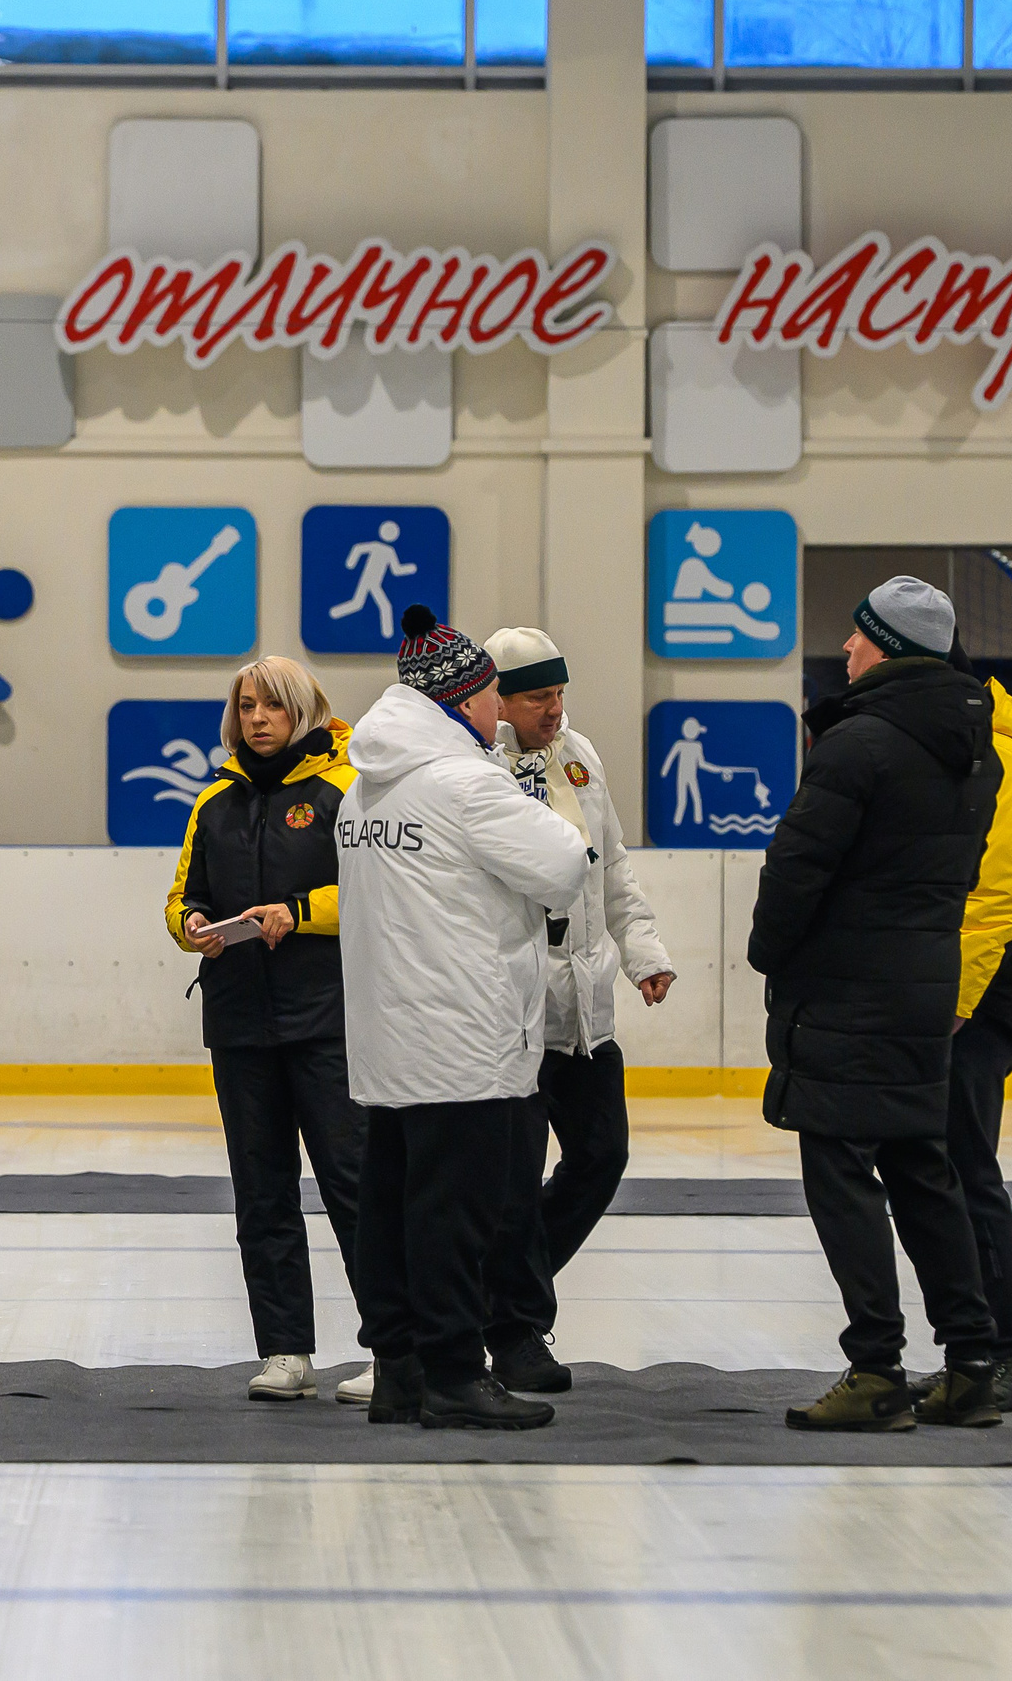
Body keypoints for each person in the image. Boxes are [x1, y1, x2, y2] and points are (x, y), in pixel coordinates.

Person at [748, 576, 1006, 1432]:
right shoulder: (978, 748)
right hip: (924, 984)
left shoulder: (858, 744)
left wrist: (770, 953)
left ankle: (876, 1366)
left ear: (888, 646)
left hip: (848, 988)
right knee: (921, 1167)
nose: (847, 651)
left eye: (859, 637)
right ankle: (972, 1360)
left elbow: (797, 868)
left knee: (839, 1167)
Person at [338, 605, 591, 1431]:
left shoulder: (364, 790)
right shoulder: (466, 781)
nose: (494, 712)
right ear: (464, 698)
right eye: (487, 697)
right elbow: (563, 865)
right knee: (457, 1213)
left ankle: (398, 1368)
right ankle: (454, 1372)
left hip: (389, 1040)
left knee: (391, 1206)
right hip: (464, 1035)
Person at [475, 628, 676, 1394]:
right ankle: (517, 1326)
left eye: (560, 694)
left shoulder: (578, 755)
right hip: (516, 1014)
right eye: (537, 698)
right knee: (514, 1179)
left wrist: (644, 954)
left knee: (602, 1158)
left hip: (587, 1015)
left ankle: (502, 1293)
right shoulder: (477, 769)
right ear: (500, 697)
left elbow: (613, 867)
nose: (554, 709)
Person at [164, 657, 368, 1402]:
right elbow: (182, 896)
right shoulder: (213, 800)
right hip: (241, 1022)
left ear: (303, 711)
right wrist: (192, 927)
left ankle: (392, 1343)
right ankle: (285, 1349)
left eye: (273, 706)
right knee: (262, 1192)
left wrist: (299, 911)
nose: (257, 718)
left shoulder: (346, 789)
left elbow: (378, 891)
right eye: (247, 705)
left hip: (329, 1019)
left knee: (355, 1185)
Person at [934, 641, 1012, 1411]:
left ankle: (1011, 1349)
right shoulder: (981, 745)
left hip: (977, 1001)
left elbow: (1001, 897)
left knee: (966, 1169)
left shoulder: (1003, 757)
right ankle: (982, 1348)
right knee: (952, 1168)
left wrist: (953, 1000)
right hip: (967, 996)